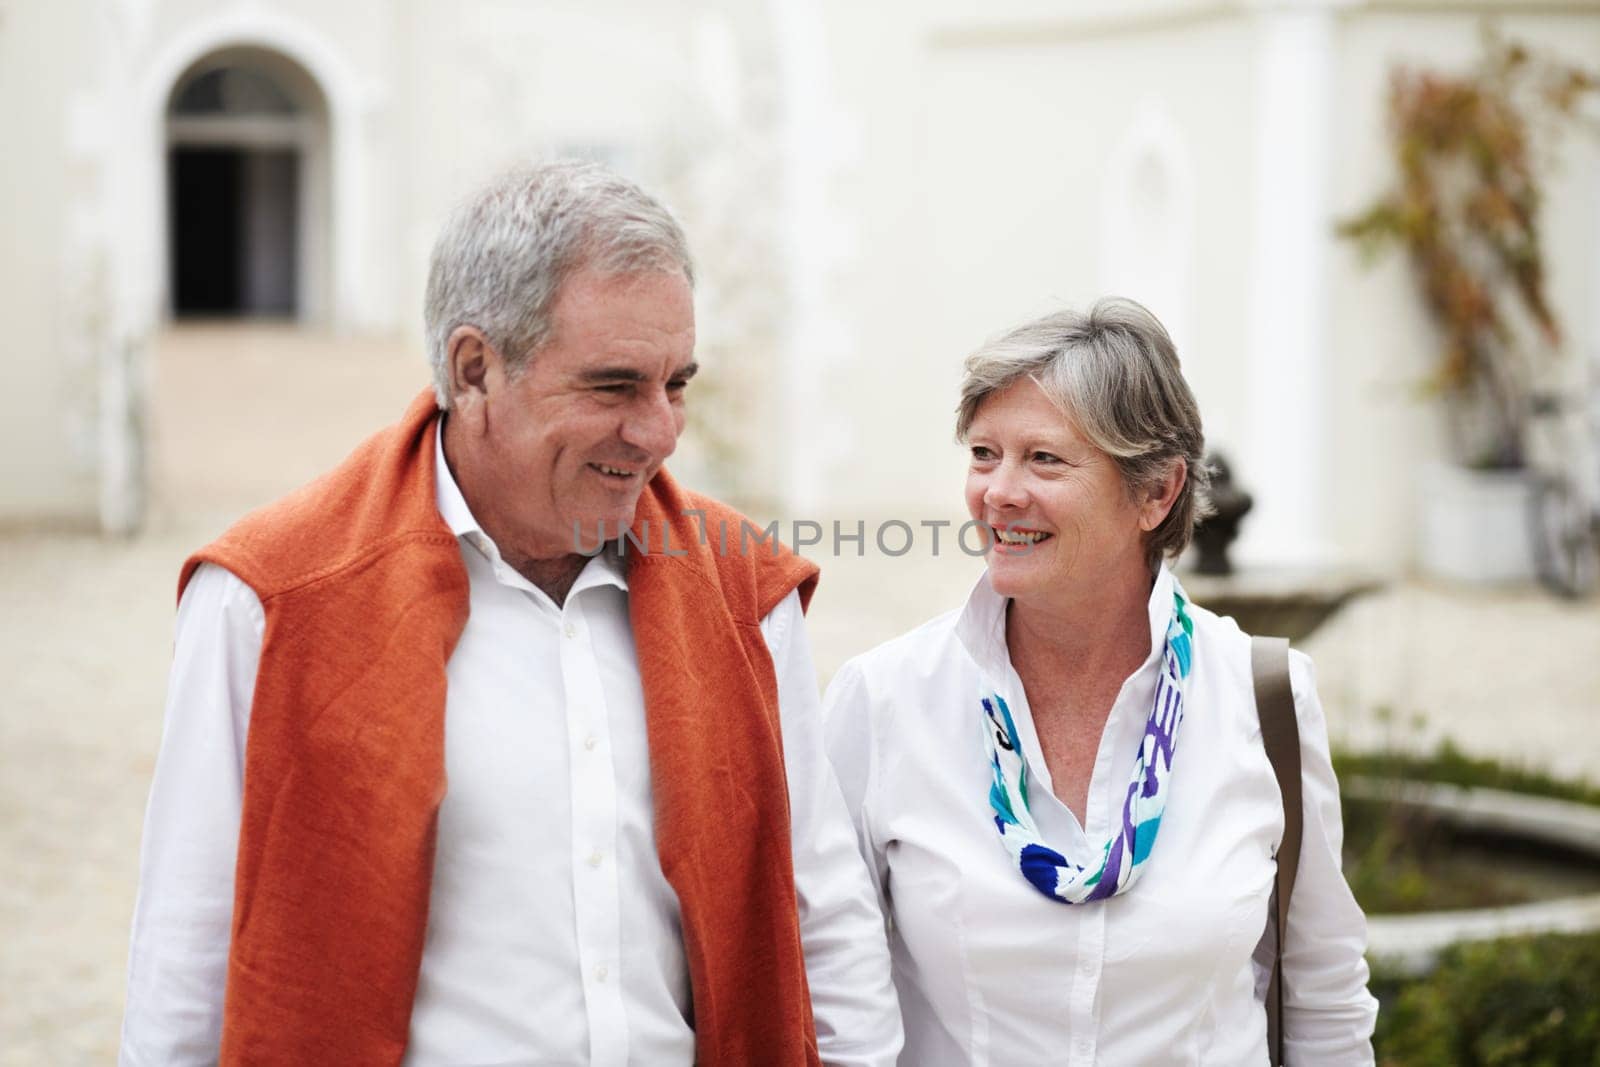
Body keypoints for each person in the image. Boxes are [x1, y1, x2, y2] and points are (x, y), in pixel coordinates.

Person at [121, 161, 901, 1066]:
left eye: (676, 383)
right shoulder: (267, 600)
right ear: (474, 368)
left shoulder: (744, 594)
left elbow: (825, 914)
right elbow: (186, 957)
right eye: (613, 387)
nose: (658, 431)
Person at [822, 299, 1377, 1065]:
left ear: (1156, 493)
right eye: (985, 454)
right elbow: (832, 997)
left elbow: (1325, 997)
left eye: (1044, 459)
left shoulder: (1267, 697)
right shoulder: (882, 701)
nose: (999, 493)